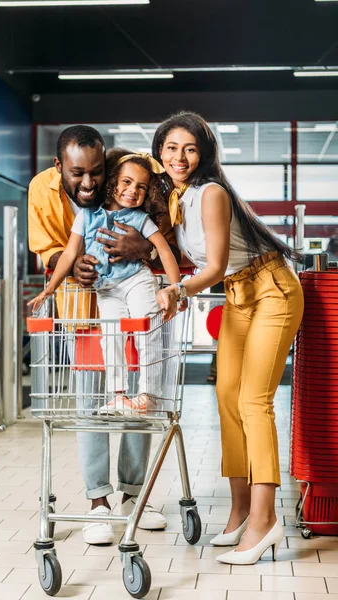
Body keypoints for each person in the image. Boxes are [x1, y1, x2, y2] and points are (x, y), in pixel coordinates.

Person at [153, 111, 304, 565]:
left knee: (254, 401)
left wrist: (179, 289)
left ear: (205, 154)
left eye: (190, 148)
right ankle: (240, 511)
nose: (180, 157)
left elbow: (213, 267)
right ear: (160, 150)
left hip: (273, 290)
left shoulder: (211, 192)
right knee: (226, 395)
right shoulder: (176, 197)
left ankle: (264, 521)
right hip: (240, 295)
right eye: (171, 147)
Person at [28, 126, 171, 545]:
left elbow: (165, 232)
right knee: (91, 401)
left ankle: (132, 496)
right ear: (60, 167)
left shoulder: (126, 177)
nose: (88, 183)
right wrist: (66, 263)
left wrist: (140, 248)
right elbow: (45, 247)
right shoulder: (42, 189)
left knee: (138, 399)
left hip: (131, 307)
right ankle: (98, 502)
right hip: (82, 312)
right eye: (77, 175)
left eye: (96, 172)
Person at [29, 148, 183, 416]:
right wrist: (49, 290)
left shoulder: (139, 219)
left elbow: (166, 252)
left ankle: (149, 395)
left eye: (142, 187)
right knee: (111, 337)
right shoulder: (87, 216)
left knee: (147, 331)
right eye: (126, 182)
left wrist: (176, 289)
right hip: (107, 288)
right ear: (112, 181)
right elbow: (68, 254)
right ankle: (118, 396)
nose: (133, 191)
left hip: (137, 280)